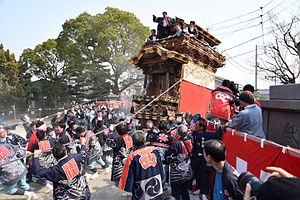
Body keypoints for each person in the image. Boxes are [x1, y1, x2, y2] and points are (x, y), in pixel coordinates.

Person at [118, 130, 165, 200]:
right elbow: (161, 170)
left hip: (141, 190)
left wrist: (129, 194)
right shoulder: (154, 150)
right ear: (145, 140)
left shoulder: (133, 156)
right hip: (156, 186)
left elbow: (130, 178)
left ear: (133, 142)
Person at [0, 125, 37, 198]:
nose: (4, 133)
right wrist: (26, 152)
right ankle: (34, 195)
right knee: (23, 184)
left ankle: (29, 194)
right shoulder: (4, 144)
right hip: (20, 167)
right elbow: (17, 150)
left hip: (12, 171)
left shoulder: (10, 138)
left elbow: (19, 147)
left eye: (4, 131)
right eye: (2, 132)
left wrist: (27, 152)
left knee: (9, 190)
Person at [191, 118, 222, 199]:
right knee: (197, 174)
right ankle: (199, 188)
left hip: (205, 159)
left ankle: (204, 192)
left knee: (205, 176)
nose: (195, 126)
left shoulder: (208, 134)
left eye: (197, 125)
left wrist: (220, 128)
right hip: (196, 158)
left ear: (202, 127)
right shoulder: (194, 133)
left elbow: (217, 135)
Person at [165, 125, 193, 200]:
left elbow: (169, 158)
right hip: (187, 172)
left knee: (176, 193)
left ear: (178, 133)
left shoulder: (176, 144)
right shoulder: (190, 141)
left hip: (177, 174)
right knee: (185, 191)